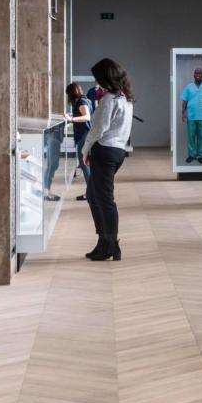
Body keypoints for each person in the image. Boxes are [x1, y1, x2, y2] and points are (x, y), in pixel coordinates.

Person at [82, 58, 135, 262]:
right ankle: (104, 241)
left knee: (104, 199)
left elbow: (98, 129)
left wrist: (85, 150)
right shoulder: (125, 98)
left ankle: (110, 245)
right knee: (94, 195)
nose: (97, 83)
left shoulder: (109, 100)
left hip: (104, 151)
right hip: (117, 151)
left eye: (98, 78)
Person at [180, 67, 202, 164]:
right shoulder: (188, 87)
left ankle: (200, 155)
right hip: (191, 116)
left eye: (200, 73)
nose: (198, 74)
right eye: (196, 73)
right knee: (191, 137)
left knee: (201, 137)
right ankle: (191, 155)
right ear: (193, 75)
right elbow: (184, 101)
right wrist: (183, 114)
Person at [65, 82, 93, 202]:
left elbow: (87, 117)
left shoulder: (81, 102)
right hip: (84, 135)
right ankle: (91, 192)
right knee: (85, 164)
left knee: (84, 164)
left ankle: (91, 192)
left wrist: (71, 119)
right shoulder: (84, 100)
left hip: (84, 135)